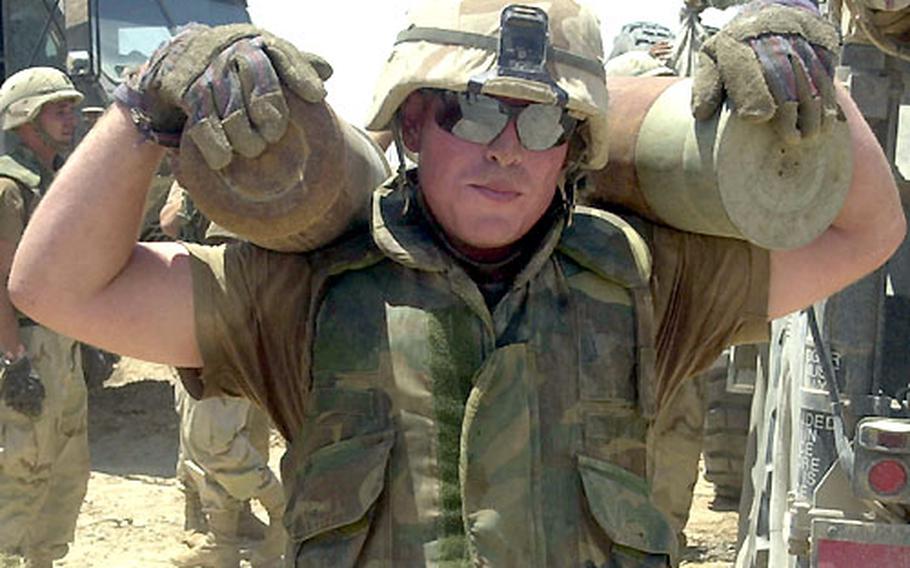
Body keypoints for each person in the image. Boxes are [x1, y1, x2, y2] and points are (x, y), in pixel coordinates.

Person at [7, 0, 906, 565]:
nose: (506, 148)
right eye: (471, 109)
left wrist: (811, 82)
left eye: (544, 122)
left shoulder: (646, 281)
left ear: (576, 152)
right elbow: (57, 290)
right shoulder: (302, 291)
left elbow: (866, 230)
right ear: (409, 124)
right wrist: (144, 111)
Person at [160, 184, 285, 568]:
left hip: (226, 318)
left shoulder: (233, 173)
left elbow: (231, 257)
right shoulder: (194, 172)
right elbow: (168, 222)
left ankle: (282, 510)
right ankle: (225, 539)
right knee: (226, 436)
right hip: (215, 313)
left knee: (212, 440)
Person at [0, 67, 87, 568]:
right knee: (21, 470)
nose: (69, 117)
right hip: (26, 345)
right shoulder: (10, 189)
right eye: (57, 108)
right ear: (25, 118)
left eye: (70, 107)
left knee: (66, 471)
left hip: (61, 345)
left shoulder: (55, 180)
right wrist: (14, 361)